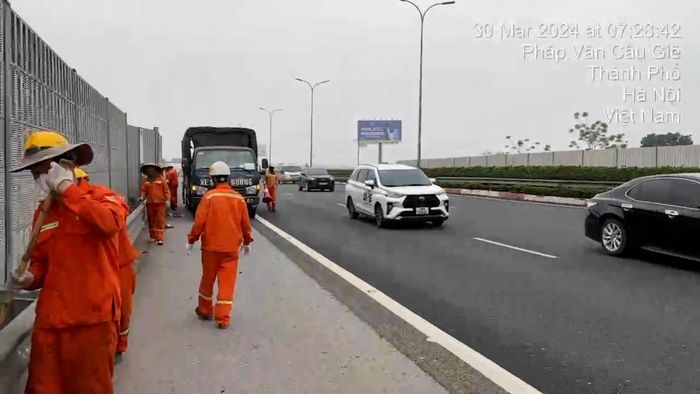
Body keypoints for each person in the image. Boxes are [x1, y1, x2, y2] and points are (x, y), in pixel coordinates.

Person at [10, 130, 124, 393]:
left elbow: (109, 223)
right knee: (42, 387)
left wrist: (67, 189)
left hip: (92, 324)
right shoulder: (44, 212)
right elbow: (40, 263)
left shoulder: (102, 198)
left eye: (43, 169)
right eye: (34, 172)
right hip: (50, 323)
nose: (39, 177)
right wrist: (29, 278)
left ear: (67, 165)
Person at [75, 167, 139, 360]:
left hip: (120, 264)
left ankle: (120, 343)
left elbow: (110, 220)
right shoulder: (64, 206)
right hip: (97, 268)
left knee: (123, 307)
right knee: (105, 311)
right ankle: (106, 346)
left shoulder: (102, 198)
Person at [186, 161, 252, 329]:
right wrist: (246, 242)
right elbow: (245, 224)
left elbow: (199, 223)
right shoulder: (239, 198)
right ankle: (223, 318)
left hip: (210, 249)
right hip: (231, 249)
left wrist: (191, 240)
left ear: (213, 178)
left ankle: (205, 310)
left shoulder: (209, 197)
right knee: (227, 282)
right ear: (228, 177)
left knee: (207, 280)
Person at [140, 163, 170, 245]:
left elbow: (166, 191)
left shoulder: (161, 179)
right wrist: (142, 197)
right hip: (150, 203)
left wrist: (167, 200)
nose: (150, 171)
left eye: (151, 170)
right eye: (148, 170)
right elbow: (143, 190)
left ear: (155, 170)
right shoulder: (146, 180)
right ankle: (153, 237)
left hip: (160, 204)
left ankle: (160, 238)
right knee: (151, 220)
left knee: (160, 220)